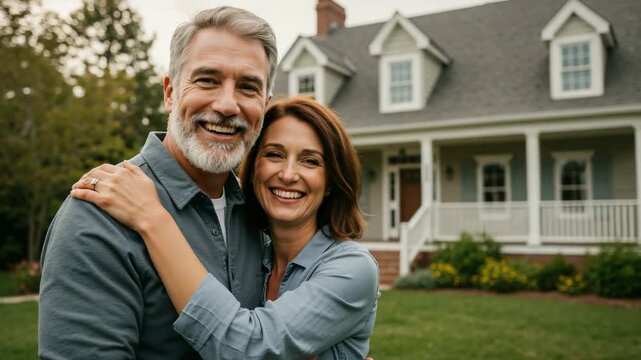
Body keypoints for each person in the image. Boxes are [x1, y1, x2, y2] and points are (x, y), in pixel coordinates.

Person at [39, 7, 278, 359]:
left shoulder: (263, 217)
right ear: (170, 92)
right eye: (208, 80)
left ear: (265, 105)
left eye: (247, 87)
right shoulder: (98, 217)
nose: (228, 105)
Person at [70, 96, 379, 359]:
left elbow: (244, 347)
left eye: (311, 162)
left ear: (330, 182)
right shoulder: (253, 255)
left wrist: (153, 218)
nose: (288, 174)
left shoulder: (352, 268)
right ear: (254, 166)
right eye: (274, 155)